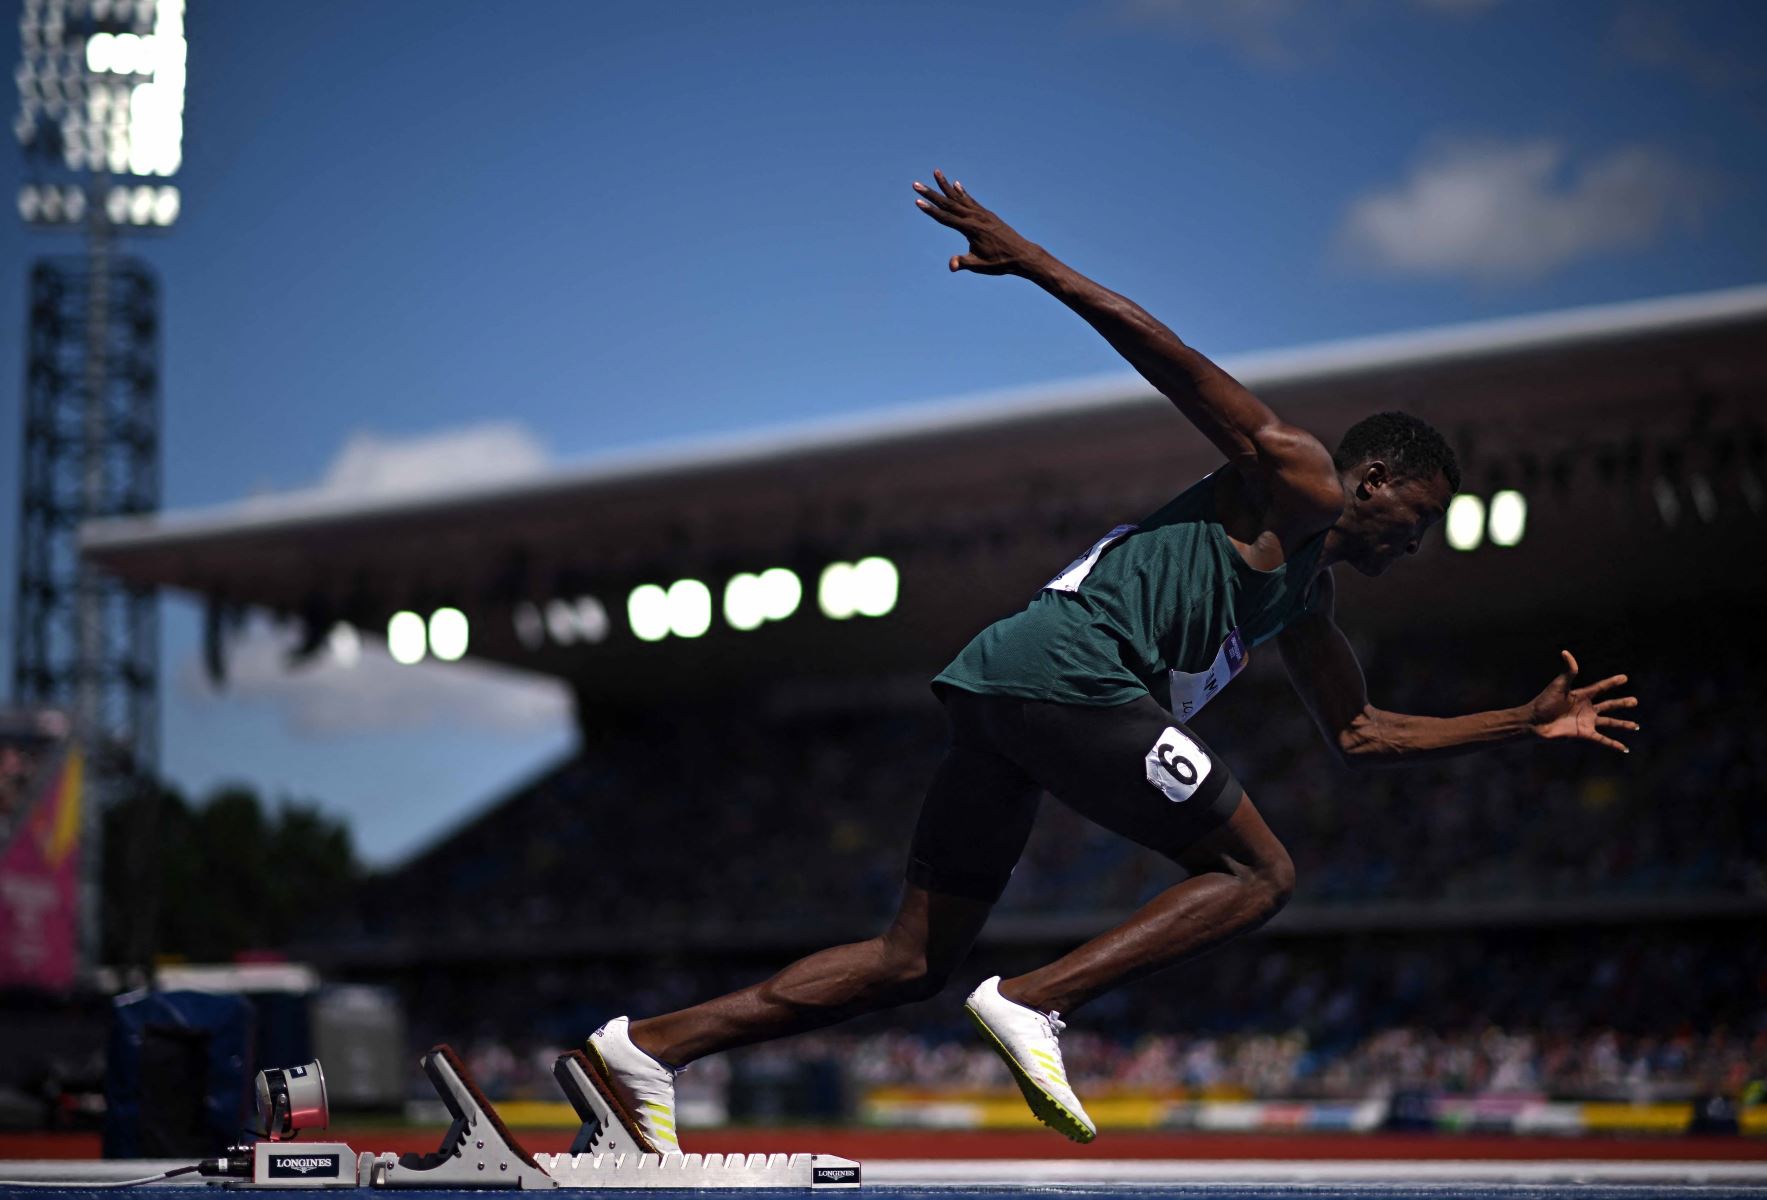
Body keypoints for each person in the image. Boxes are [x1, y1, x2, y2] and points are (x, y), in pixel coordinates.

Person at [570, 171, 1639, 1148]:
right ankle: (1035, 1001)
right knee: (1257, 874)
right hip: (1072, 670)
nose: (1414, 545)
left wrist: (1521, 721)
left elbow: (1361, 732)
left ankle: (644, 1049)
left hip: (1007, 689)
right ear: (1370, 483)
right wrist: (1033, 260)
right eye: (1413, 519)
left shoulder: (1305, 595)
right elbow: (1169, 358)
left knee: (910, 961)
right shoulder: (1301, 480)